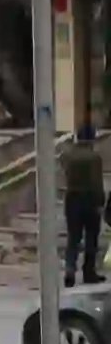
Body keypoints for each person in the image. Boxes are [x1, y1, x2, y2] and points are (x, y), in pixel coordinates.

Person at [64, 123, 105, 287]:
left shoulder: (68, 155)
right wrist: (100, 202)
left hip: (72, 198)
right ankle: (88, 271)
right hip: (89, 200)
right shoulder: (95, 157)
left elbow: (65, 173)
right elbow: (97, 182)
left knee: (73, 237)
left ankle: (70, 268)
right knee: (91, 237)